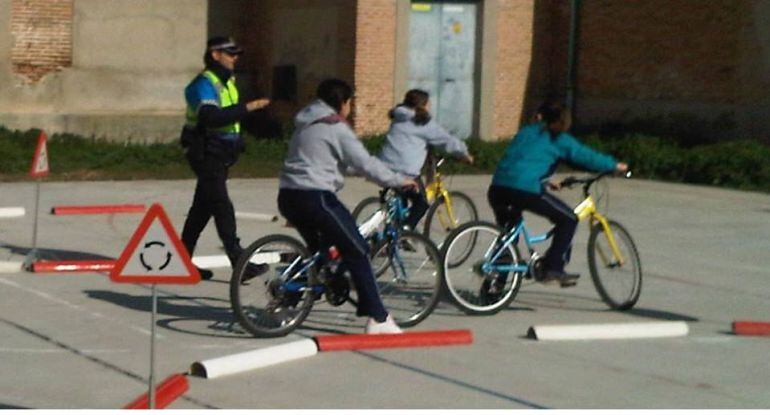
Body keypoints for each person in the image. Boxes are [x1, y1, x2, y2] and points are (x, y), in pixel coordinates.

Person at [278, 79, 417, 334]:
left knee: (318, 251)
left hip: (288, 196)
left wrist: (365, 171)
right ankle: (378, 317)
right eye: (349, 102)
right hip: (316, 198)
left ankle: (286, 302)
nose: (350, 107)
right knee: (358, 249)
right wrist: (398, 180)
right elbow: (365, 162)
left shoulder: (306, 122)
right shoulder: (336, 127)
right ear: (342, 103)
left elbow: (333, 161)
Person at [488, 100, 628, 287]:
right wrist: (614, 166)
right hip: (523, 190)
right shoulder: (558, 138)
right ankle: (552, 268)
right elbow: (585, 155)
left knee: (508, 236)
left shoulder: (526, 132)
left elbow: (522, 160)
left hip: (498, 188)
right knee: (568, 219)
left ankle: (493, 290)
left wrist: (544, 181)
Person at [180, 36, 270, 280]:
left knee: (202, 207)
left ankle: (181, 259)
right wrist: (248, 108)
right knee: (222, 206)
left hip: (221, 153)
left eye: (236, 53)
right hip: (205, 152)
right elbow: (211, 117)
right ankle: (239, 261)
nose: (235, 57)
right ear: (215, 54)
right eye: (230, 53)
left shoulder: (227, 82)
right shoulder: (202, 84)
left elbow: (230, 118)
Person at [378, 89, 474, 230]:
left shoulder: (398, 117)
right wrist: (464, 154)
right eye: (428, 104)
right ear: (423, 105)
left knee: (401, 201)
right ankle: (405, 232)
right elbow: (446, 140)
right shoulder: (422, 122)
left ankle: (393, 233)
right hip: (405, 172)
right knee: (421, 204)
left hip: (383, 167)